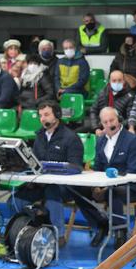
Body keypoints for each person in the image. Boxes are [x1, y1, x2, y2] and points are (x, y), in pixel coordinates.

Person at [15, 101, 99, 245]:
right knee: (17, 197)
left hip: (65, 187)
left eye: (46, 114)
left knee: (52, 191)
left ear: (57, 115)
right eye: (40, 116)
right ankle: (21, 231)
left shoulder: (71, 138)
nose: (43, 119)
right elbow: (35, 162)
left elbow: (76, 167)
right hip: (42, 184)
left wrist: (54, 169)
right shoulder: (39, 136)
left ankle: (59, 236)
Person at [86, 107, 136, 249]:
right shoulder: (100, 141)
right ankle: (101, 224)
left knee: (114, 192)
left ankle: (120, 231)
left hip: (131, 185)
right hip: (106, 185)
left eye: (111, 120)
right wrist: (96, 186)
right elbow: (98, 168)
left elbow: (133, 170)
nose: (109, 124)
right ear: (101, 124)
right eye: (105, 122)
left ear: (118, 119)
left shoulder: (133, 140)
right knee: (79, 191)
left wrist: (107, 186)